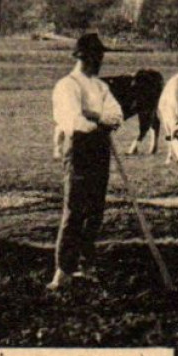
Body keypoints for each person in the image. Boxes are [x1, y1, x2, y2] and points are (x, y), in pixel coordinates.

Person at [49, 32, 123, 291]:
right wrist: (98, 120)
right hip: (79, 151)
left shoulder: (101, 87)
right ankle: (63, 271)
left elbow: (117, 115)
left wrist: (96, 116)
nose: (100, 60)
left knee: (95, 211)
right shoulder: (67, 86)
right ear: (85, 57)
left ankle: (85, 264)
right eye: (97, 56)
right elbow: (75, 122)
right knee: (74, 210)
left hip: (100, 151)